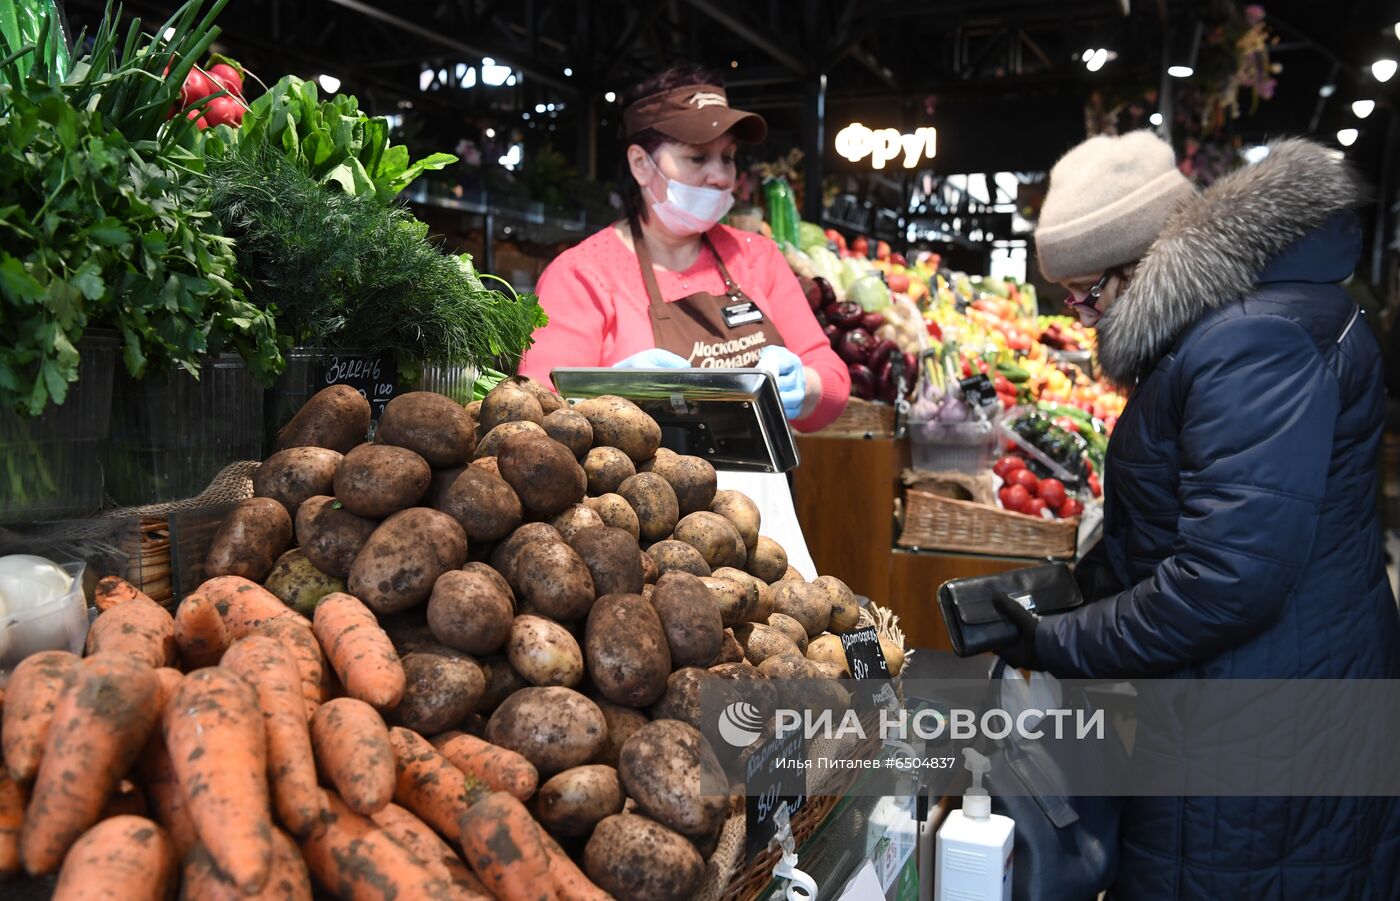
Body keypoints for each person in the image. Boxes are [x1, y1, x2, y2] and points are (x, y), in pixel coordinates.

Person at [993, 131, 1400, 897]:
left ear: (1146, 260)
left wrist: (1061, 639)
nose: (1082, 316)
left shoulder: (1250, 339)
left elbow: (1228, 578)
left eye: (1088, 292)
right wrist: (1081, 583)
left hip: (1267, 727)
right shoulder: (1235, 320)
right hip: (1275, 697)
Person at [519, 64, 850, 575]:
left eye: (728, 158)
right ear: (641, 163)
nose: (720, 175)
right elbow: (534, 418)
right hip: (636, 548)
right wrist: (601, 397)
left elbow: (831, 381)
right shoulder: (582, 274)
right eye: (698, 157)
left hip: (766, 542)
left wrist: (803, 385)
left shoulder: (755, 258)